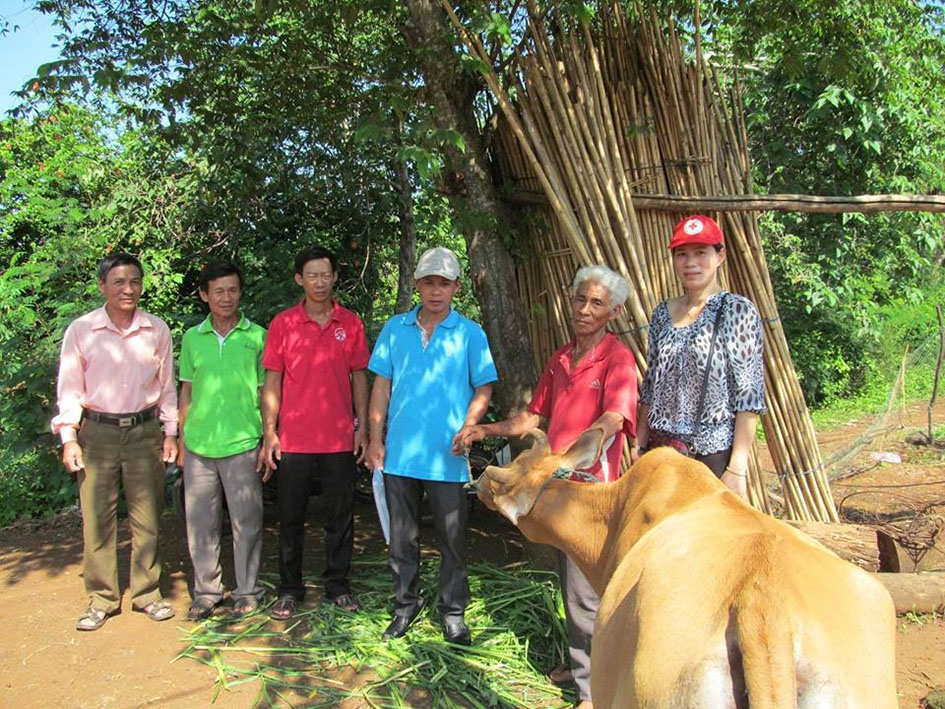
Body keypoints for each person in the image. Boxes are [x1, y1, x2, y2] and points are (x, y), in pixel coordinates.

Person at [453, 264, 637, 709]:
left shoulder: (618, 359)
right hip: (552, 492)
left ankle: (592, 694)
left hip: (590, 492)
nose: (585, 310)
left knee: (584, 593)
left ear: (613, 312)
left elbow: (617, 416)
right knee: (569, 584)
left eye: (597, 303)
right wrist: (486, 430)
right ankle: (581, 665)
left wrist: (587, 442)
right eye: (580, 300)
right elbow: (531, 418)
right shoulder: (561, 358)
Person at [366, 247, 497, 646]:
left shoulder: (470, 333)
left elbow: (484, 387)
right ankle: (405, 606)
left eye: (444, 283)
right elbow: (381, 386)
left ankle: (453, 612)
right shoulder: (395, 329)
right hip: (401, 455)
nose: (435, 290)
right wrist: (375, 439)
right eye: (428, 282)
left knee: (452, 538)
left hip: (448, 458)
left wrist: (470, 423)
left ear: (456, 286)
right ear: (417, 285)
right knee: (402, 538)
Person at [51, 252, 178, 631]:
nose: (128, 289)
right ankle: (103, 597)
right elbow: (70, 389)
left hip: (143, 432)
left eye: (135, 281)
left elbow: (166, 387)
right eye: (119, 282)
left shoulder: (157, 329)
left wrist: (170, 432)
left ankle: (147, 594)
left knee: (148, 516)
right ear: (102, 286)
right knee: (98, 518)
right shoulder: (82, 330)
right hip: (97, 434)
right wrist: (69, 438)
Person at [260, 246, 370, 619]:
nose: (319, 282)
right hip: (294, 440)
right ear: (299, 279)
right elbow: (271, 382)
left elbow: (359, 377)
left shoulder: (350, 323)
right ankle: (289, 589)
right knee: (290, 516)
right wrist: (270, 432)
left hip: (339, 437)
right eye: (312, 276)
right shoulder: (283, 324)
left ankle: (337, 584)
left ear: (335, 277)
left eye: (326, 275)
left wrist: (361, 428)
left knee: (340, 515)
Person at [633, 214, 766, 498]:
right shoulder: (662, 314)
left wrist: (737, 467)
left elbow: (749, 396)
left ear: (721, 256)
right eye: (682, 254)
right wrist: (640, 445)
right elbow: (650, 386)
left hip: (710, 453)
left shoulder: (737, 311)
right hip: (662, 451)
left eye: (700, 253)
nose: (690, 263)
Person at [178, 262, 268, 621]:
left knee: (247, 522)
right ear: (204, 295)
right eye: (218, 291)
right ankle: (207, 591)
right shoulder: (191, 338)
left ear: (240, 292)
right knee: (200, 523)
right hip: (199, 445)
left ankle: (248, 590)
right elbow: (186, 391)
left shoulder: (257, 336)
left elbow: (267, 393)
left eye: (232, 290)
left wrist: (267, 438)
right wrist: (182, 440)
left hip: (244, 442)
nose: (226, 297)